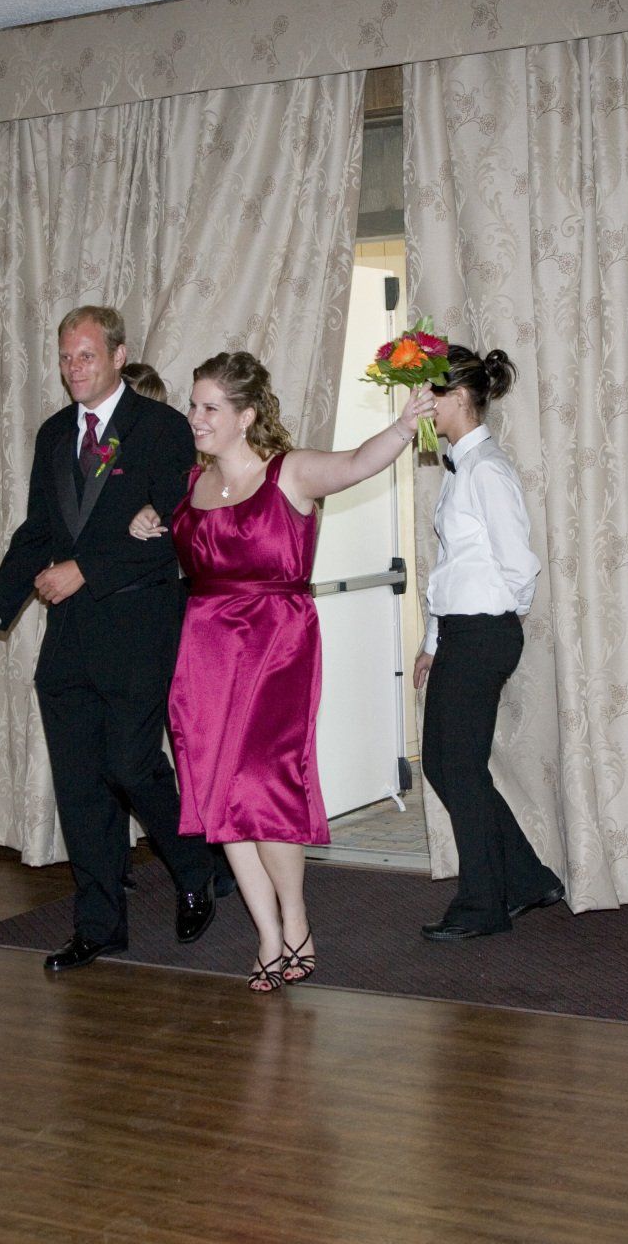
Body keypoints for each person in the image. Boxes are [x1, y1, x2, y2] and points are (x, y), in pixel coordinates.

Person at [131, 351, 436, 991]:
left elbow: (357, 463)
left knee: (262, 785)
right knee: (218, 792)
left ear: (245, 417)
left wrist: (405, 425)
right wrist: (148, 518)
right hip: (205, 651)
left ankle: (295, 919)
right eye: (194, 405)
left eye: (210, 407)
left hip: (276, 643)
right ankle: (269, 934)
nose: (195, 417)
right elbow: (169, 530)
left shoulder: (288, 472)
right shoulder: (188, 485)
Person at [0, 306, 227, 973]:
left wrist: (86, 568)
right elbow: (37, 535)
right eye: (65, 357)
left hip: (140, 627)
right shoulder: (55, 434)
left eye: (85, 355)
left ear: (117, 355)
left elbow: (174, 532)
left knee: (131, 766)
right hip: (70, 639)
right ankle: (99, 925)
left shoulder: (161, 428)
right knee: (80, 785)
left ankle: (196, 864)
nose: (73, 368)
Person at [412, 345, 565, 941]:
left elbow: (519, 564)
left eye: (428, 396)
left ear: (457, 398)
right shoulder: (462, 466)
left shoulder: (487, 469)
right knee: (446, 764)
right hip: (461, 631)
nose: (420, 407)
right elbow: (453, 563)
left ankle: (483, 905)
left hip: (482, 632)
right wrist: (434, 638)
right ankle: (526, 879)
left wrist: (500, 620)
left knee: (459, 767)